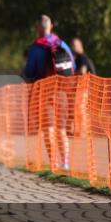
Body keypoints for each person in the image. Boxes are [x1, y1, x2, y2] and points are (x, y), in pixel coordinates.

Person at [23, 14, 76, 170]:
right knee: (61, 129)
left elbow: (29, 71)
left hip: (44, 91)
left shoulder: (35, 48)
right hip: (61, 91)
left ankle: (53, 162)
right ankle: (65, 162)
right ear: (51, 26)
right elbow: (72, 66)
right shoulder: (62, 44)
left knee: (48, 128)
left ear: (37, 27)